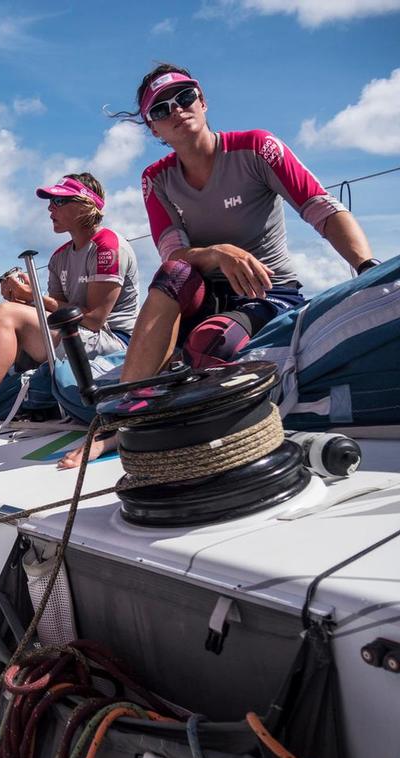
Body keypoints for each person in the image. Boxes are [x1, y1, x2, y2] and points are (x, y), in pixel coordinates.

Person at [60, 64, 377, 468]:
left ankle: (172, 408)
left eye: (185, 97)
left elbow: (322, 211)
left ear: (203, 101)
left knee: (211, 341)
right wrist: (217, 252)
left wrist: (366, 267)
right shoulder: (155, 179)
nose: (176, 109)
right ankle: (117, 424)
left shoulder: (258, 149)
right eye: (160, 110)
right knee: (175, 274)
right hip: (201, 293)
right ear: (154, 130)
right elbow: (174, 257)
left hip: (266, 293)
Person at [0, 173, 139, 449]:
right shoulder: (60, 257)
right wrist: (24, 298)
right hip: (73, 334)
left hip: (113, 342)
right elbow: (54, 313)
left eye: (58, 201)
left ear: (84, 205)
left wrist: (31, 296)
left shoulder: (107, 246)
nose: (49, 209)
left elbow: (93, 318)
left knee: (6, 313)